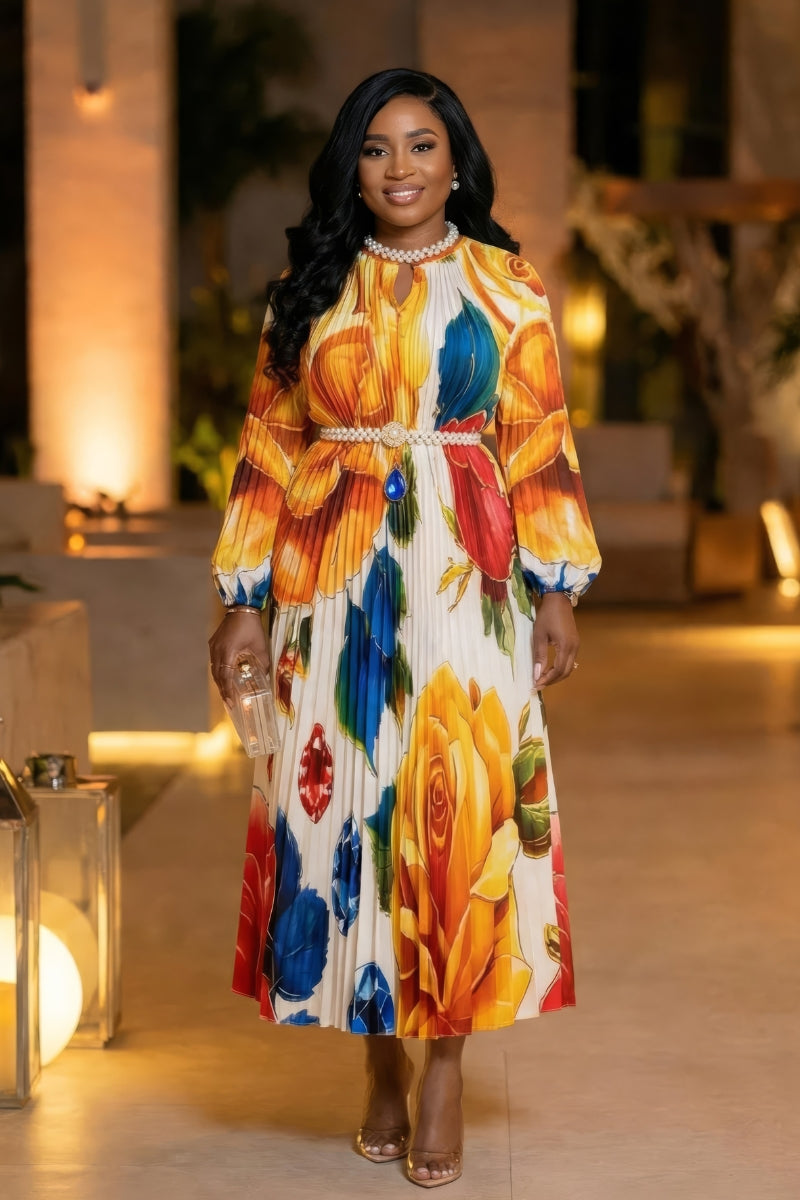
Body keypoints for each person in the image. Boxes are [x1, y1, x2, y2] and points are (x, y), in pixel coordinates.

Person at [209, 67, 601, 1190]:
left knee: (457, 812)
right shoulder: (309, 284)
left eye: (420, 146)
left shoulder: (506, 285)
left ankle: (442, 1069)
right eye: (375, 149)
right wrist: (240, 601)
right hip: (327, 580)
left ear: (456, 161)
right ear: (352, 165)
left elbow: (536, 437)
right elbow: (265, 451)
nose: (398, 169)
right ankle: (377, 1056)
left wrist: (557, 585)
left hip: (464, 572)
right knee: (350, 820)